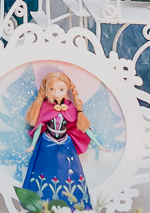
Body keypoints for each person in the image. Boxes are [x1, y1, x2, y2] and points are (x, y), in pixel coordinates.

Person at [23, 72, 92, 210]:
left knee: (69, 171)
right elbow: (39, 126)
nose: (56, 93)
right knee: (44, 169)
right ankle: (42, 202)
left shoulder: (70, 107)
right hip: (47, 142)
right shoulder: (45, 107)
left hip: (65, 143)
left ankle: (71, 203)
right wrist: (33, 145)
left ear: (67, 89)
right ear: (47, 90)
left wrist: (98, 143)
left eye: (61, 89)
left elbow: (83, 127)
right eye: (52, 89)